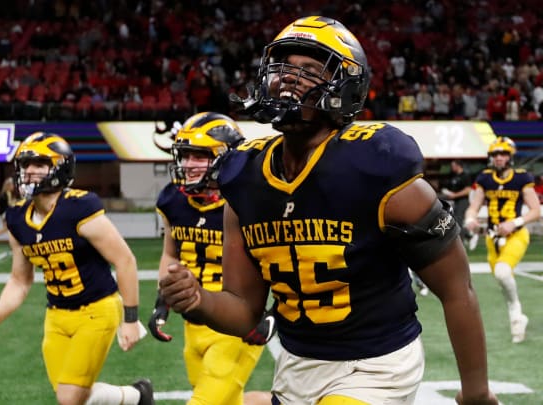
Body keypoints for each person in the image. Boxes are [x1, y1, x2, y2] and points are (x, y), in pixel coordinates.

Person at [159, 16, 497, 405]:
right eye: (282, 66)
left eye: (309, 69)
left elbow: (457, 289)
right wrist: (199, 301)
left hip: (376, 365)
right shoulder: (245, 178)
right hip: (297, 364)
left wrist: (476, 392)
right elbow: (244, 311)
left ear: (345, 86)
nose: (288, 77)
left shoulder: (375, 165)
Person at [0, 132, 154, 405]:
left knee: (69, 398)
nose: (29, 171)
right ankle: (138, 397)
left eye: (39, 164)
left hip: (96, 310)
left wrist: (130, 318)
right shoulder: (17, 218)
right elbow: (20, 280)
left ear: (60, 167)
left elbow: (125, 260)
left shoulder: (79, 207)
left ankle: (138, 397)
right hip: (55, 316)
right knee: (72, 396)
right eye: (25, 165)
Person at [149, 112, 271, 405]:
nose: (187, 165)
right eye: (185, 156)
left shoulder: (249, 203)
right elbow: (171, 252)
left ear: (225, 158)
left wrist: (274, 313)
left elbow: (284, 261)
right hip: (195, 321)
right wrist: (162, 300)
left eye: (198, 156)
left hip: (238, 323)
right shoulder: (173, 200)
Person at [464, 136, 540, 344]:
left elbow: (535, 211)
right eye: (496, 153)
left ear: (510, 156)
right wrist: (470, 218)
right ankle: (517, 318)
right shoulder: (485, 178)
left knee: (503, 272)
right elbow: (474, 205)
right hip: (492, 238)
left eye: (503, 153)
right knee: (503, 281)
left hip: (516, 235)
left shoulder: (521, 177)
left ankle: (516, 316)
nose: (499, 157)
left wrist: (514, 223)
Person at [440, 159, 475, 248]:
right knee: (455, 220)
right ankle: (469, 235)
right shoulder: (454, 176)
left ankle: (462, 242)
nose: (452, 168)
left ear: (458, 166)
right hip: (456, 201)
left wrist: (455, 195)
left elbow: (468, 190)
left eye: (453, 166)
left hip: (463, 201)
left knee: (459, 221)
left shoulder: (465, 176)